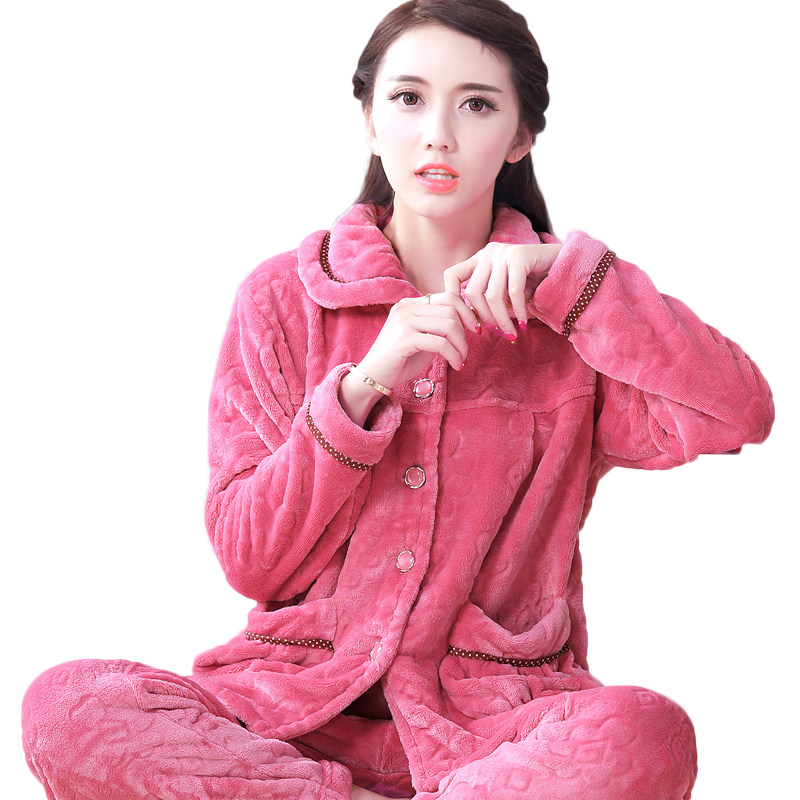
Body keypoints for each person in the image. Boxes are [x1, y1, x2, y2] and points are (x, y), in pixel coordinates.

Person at [20, 1, 774, 798]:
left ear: (520, 135)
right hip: (287, 707)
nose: (437, 134)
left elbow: (738, 411)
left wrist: (572, 281)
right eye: (409, 98)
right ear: (371, 121)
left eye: (476, 104)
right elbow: (248, 556)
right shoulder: (281, 298)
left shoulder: (571, 319)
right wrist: (362, 385)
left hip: (492, 721)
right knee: (68, 706)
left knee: (647, 731)